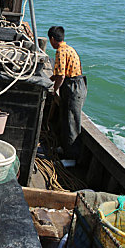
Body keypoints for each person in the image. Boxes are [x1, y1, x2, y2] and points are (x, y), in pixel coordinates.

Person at [48, 26, 87, 159]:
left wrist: (54, 90)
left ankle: (72, 157)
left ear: (52, 39)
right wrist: (52, 78)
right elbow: (61, 71)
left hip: (73, 87)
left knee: (72, 122)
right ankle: (65, 148)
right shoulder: (69, 48)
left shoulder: (60, 51)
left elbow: (62, 76)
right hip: (77, 84)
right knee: (65, 118)